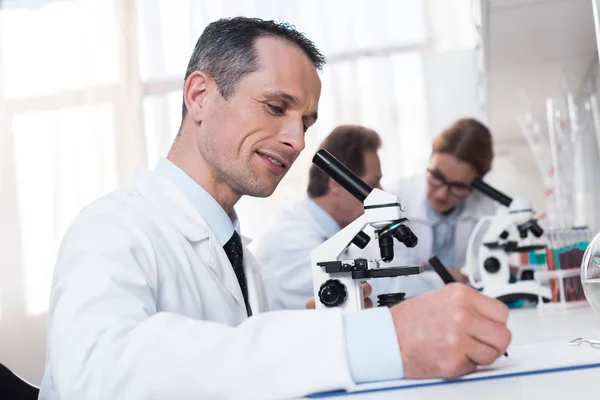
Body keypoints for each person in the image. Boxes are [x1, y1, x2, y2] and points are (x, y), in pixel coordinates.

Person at [39, 18, 511, 400]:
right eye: (275, 106)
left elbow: (231, 371)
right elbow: (96, 372)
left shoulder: (236, 252)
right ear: (199, 96)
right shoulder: (111, 228)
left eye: (305, 120)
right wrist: (364, 343)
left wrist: (312, 333)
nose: (298, 140)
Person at [255, 124, 384, 310]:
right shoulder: (291, 242)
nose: (381, 192)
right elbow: (361, 295)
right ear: (337, 184)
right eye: (373, 184)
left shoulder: (336, 234)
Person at [379, 118, 499, 297]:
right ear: (429, 160)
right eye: (436, 176)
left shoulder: (488, 212)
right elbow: (392, 281)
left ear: (477, 185)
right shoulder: (395, 200)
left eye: (458, 186)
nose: (441, 194)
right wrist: (452, 277)